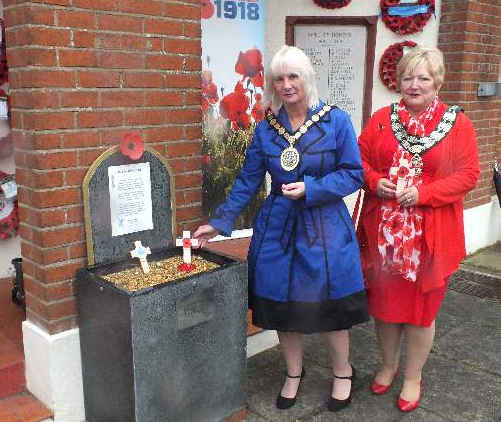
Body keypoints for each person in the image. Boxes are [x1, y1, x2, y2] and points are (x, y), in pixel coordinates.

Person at [193, 45, 368, 412]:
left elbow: (354, 174)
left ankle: (342, 372)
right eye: (279, 78)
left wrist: (313, 189)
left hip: (324, 226)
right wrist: (219, 221)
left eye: (293, 76)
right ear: (272, 85)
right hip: (278, 226)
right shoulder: (265, 129)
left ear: (307, 79)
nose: (287, 85)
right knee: (281, 301)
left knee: (331, 303)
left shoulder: (336, 121)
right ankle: (293, 372)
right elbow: (248, 180)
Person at [355, 47, 479, 412]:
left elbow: (468, 175)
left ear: (436, 81)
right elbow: (357, 161)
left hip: (430, 240)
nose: (414, 84)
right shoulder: (381, 119)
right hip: (384, 239)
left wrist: (424, 193)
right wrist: (375, 182)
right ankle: (389, 366)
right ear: (399, 81)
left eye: (423, 77)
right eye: (408, 77)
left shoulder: (458, 124)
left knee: (421, 314)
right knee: (384, 308)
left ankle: (412, 376)